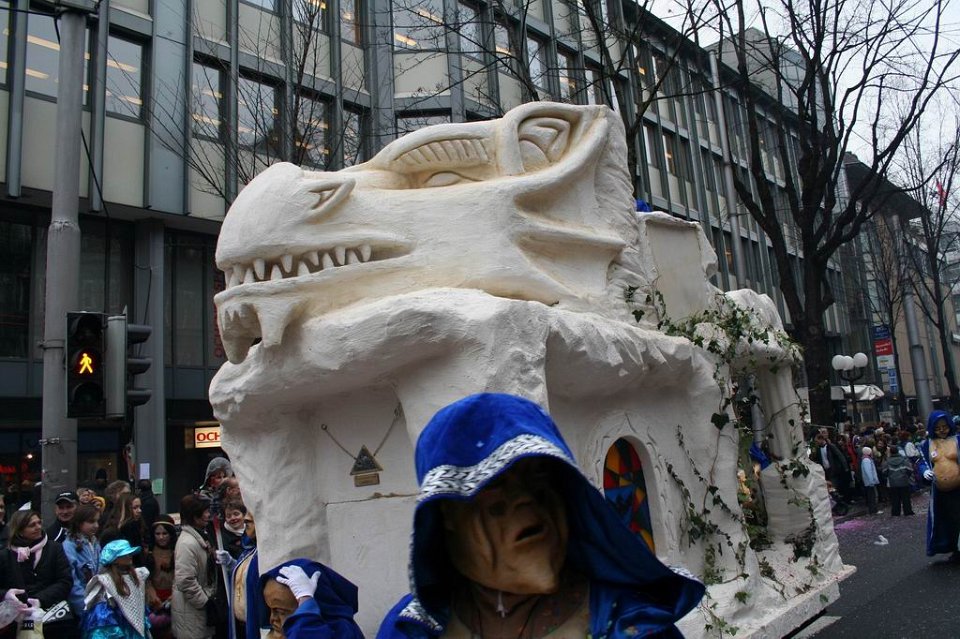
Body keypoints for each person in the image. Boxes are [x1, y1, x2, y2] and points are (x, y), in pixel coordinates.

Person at [286, 393, 705, 638]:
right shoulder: (411, 631)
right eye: (496, 492)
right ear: (446, 517)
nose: (526, 503)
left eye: (542, 484)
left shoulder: (634, 623)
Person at [0, 510, 76, 638]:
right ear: (20, 530)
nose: (38, 527)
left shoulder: (54, 548)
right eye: (32, 525)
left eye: (39, 523)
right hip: (15, 621)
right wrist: (7, 594)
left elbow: (65, 581)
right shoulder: (4, 555)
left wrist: (39, 600)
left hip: (53, 619)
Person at [80, 540, 153, 639]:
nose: (130, 556)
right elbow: (103, 617)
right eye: (125, 554)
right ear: (114, 559)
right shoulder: (105, 583)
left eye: (130, 553)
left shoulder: (137, 576)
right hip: (119, 629)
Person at [172, 494, 217, 639]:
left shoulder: (201, 537)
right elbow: (185, 580)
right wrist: (204, 602)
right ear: (195, 516)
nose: (208, 515)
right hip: (191, 613)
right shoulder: (187, 543)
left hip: (198, 612)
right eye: (205, 511)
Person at [917, 410, 960, 560]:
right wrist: (924, 471)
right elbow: (921, 462)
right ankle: (955, 549)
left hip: (958, 489)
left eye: (944, 427)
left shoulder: (957, 440)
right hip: (940, 492)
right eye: (937, 428)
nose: (942, 430)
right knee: (947, 521)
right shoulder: (927, 444)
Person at [62, 504, 102, 618]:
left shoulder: (95, 542)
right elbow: (73, 582)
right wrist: (85, 607)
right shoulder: (69, 546)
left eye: (97, 521)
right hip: (83, 607)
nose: (96, 525)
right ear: (79, 522)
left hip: (99, 602)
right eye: (91, 522)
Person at [144, 516, 177, 639]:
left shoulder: (177, 552)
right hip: (155, 601)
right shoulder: (149, 554)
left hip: (174, 599)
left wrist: (174, 596)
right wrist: (153, 596)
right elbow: (147, 579)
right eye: (157, 534)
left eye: (165, 533)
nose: (161, 537)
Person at [810, 432, 851, 503]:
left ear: (821, 439)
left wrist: (845, 467)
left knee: (834, 486)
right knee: (829, 487)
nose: (816, 443)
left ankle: (839, 502)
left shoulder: (830, 446)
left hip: (833, 469)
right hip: (825, 470)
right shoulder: (818, 449)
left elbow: (840, 456)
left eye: (817, 441)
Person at [885, 446, 914, 517]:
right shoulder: (904, 460)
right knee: (906, 498)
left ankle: (895, 512)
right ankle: (908, 511)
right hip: (904, 481)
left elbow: (884, 471)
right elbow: (910, 469)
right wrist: (907, 476)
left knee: (895, 499)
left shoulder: (887, 461)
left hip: (893, 482)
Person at [861, 447, 882, 515]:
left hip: (869, 481)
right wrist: (872, 480)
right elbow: (868, 471)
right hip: (870, 481)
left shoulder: (866, 459)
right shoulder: (866, 460)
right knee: (872, 496)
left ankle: (873, 510)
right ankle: (873, 510)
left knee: (872, 496)